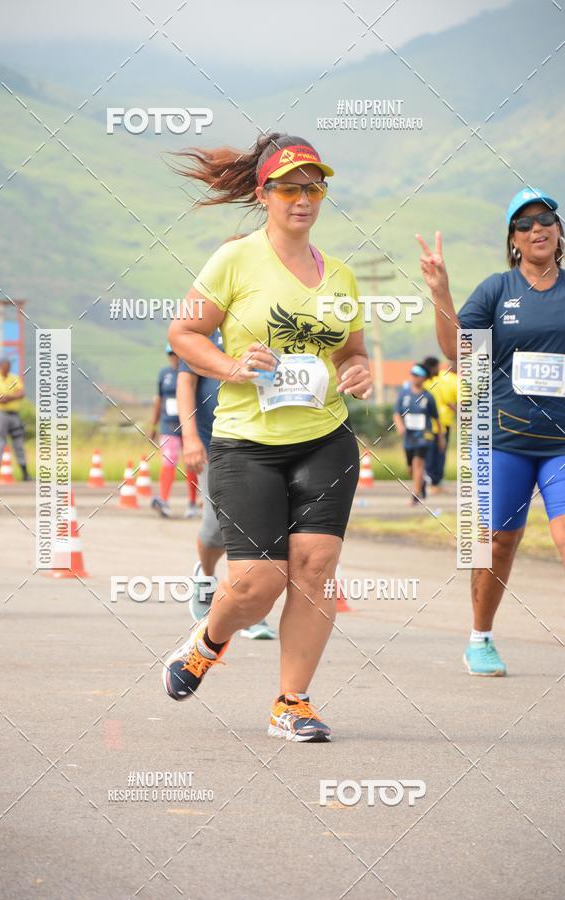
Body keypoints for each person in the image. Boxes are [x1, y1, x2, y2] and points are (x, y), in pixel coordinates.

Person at [164, 132, 372, 742]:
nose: (303, 198)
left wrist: (355, 370)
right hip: (247, 443)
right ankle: (209, 639)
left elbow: (352, 352)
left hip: (324, 438)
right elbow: (184, 334)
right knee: (258, 582)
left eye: (314, 186)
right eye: (289, 187)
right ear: (265, 194)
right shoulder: (235, 259)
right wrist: (230, 367)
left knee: (315, 565)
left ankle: (293, 701)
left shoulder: (341, 276)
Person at [417, 187, 565, 676]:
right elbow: (460, 352)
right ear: (514, 241)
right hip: (504, 442)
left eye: (546, 218)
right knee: (497, 542)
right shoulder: (497, 291)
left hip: (561, 445)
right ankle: (480, 638)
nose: (537, 228)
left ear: (559, 231)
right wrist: (440, 291)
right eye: (524, 224)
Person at [176, 326, 275, 639]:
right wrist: (189, 438)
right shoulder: (203, 328)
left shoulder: (267, 321)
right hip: (213, 441)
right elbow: (186, 382)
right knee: (216, 527)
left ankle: (248, 610)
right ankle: (205, 577)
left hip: (267, 438)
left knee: (259, 527)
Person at [149, 344, 199, 519]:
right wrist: (153, 425)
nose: (174, 358)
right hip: (168, 426)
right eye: (171, 355)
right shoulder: (165, 374)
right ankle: (163, 500)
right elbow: (158, 400)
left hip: (188, 425)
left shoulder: (192, 371)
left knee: (191, 464)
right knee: (168, 461)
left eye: (177, 354)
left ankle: (193, 503)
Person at [393, 363, 444, 505]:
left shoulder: (428, 397)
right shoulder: (404, 394)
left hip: (424, 435)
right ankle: (420, 484)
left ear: (424, 378)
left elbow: (436, 419)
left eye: (417, 375)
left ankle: (415, 495)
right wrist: (400, 426)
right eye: (412, 374)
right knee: (410, 467)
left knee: (418, 463)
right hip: (409, 436)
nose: (414, 378)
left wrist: (440, 438)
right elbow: (396, 413)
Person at [0, 358, 29, 480]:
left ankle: (25, 474)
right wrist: (13, 396)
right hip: (0, 415)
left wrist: (6, 397)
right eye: (7, 366)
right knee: (0, 443)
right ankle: (2, 474)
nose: (9, 368)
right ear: (1, 366)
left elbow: (21, 393)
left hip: (14, 414)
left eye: (9, 366)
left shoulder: (14, 378)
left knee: (19, 443)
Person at [422, 355, 458, 491]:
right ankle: (431, 483)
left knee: (438, 454)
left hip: (441, 424)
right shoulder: (428, 383)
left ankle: (434, 482)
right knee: (432, 454)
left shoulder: (438, 381)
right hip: (430, 425)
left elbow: (448, 402)